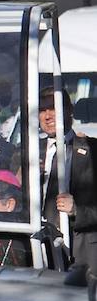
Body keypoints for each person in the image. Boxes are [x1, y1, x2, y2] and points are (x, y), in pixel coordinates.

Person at [38, 87, 97, 270]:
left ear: (68, 110)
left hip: (81, 253)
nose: (48, 116)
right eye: (42, 109)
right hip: (37, 251)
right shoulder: (27, 152)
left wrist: (77, 211)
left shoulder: (93, 150)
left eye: (53, 107)